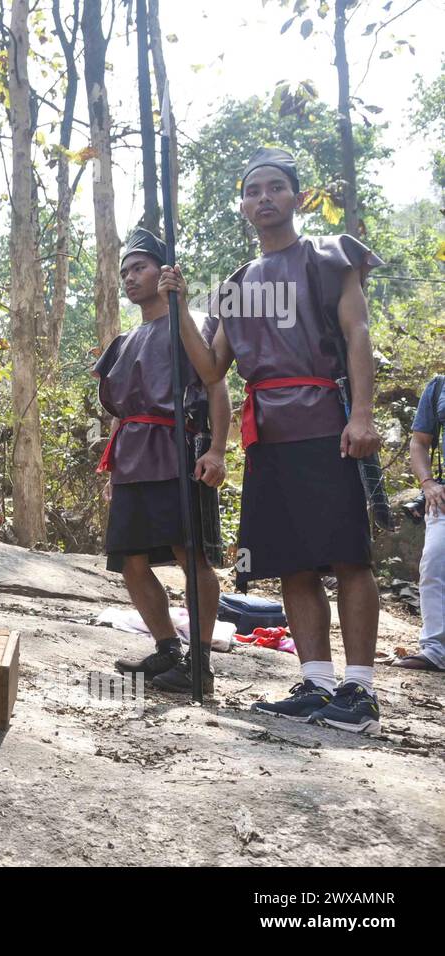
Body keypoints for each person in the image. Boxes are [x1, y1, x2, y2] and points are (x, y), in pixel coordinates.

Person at [176, 146, 385, 732]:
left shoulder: (327, 256)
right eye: (252, 191)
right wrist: (179, 307)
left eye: (275, 187)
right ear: (242, 205)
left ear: (296, 195)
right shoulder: (235, 286)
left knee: (348, 554)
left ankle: (360, 692)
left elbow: (357, 329)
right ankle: (317, 683)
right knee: (292, 561)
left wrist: (362, 414)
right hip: (266, 431)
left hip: (326, 417)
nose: (263, 198)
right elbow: (212, 370)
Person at [97, 228, 230, 694]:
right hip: (132, 454)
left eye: (140, 268)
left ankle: (201, 661)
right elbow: (119, 411)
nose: (131, 278)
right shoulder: (124, 340)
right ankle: (167, 648)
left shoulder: (196, 322)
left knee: (187, 553)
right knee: (129, 559)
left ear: (165, 272)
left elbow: (215, 383)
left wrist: (217, 450)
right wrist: (111, 468)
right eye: (126, 272)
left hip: (177, 450)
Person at [398, 373, 445, 672]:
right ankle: (435, 650)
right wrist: (427, 483)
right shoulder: (439, 386)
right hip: (442, 496)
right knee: (433, 566)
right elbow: (419, 442)